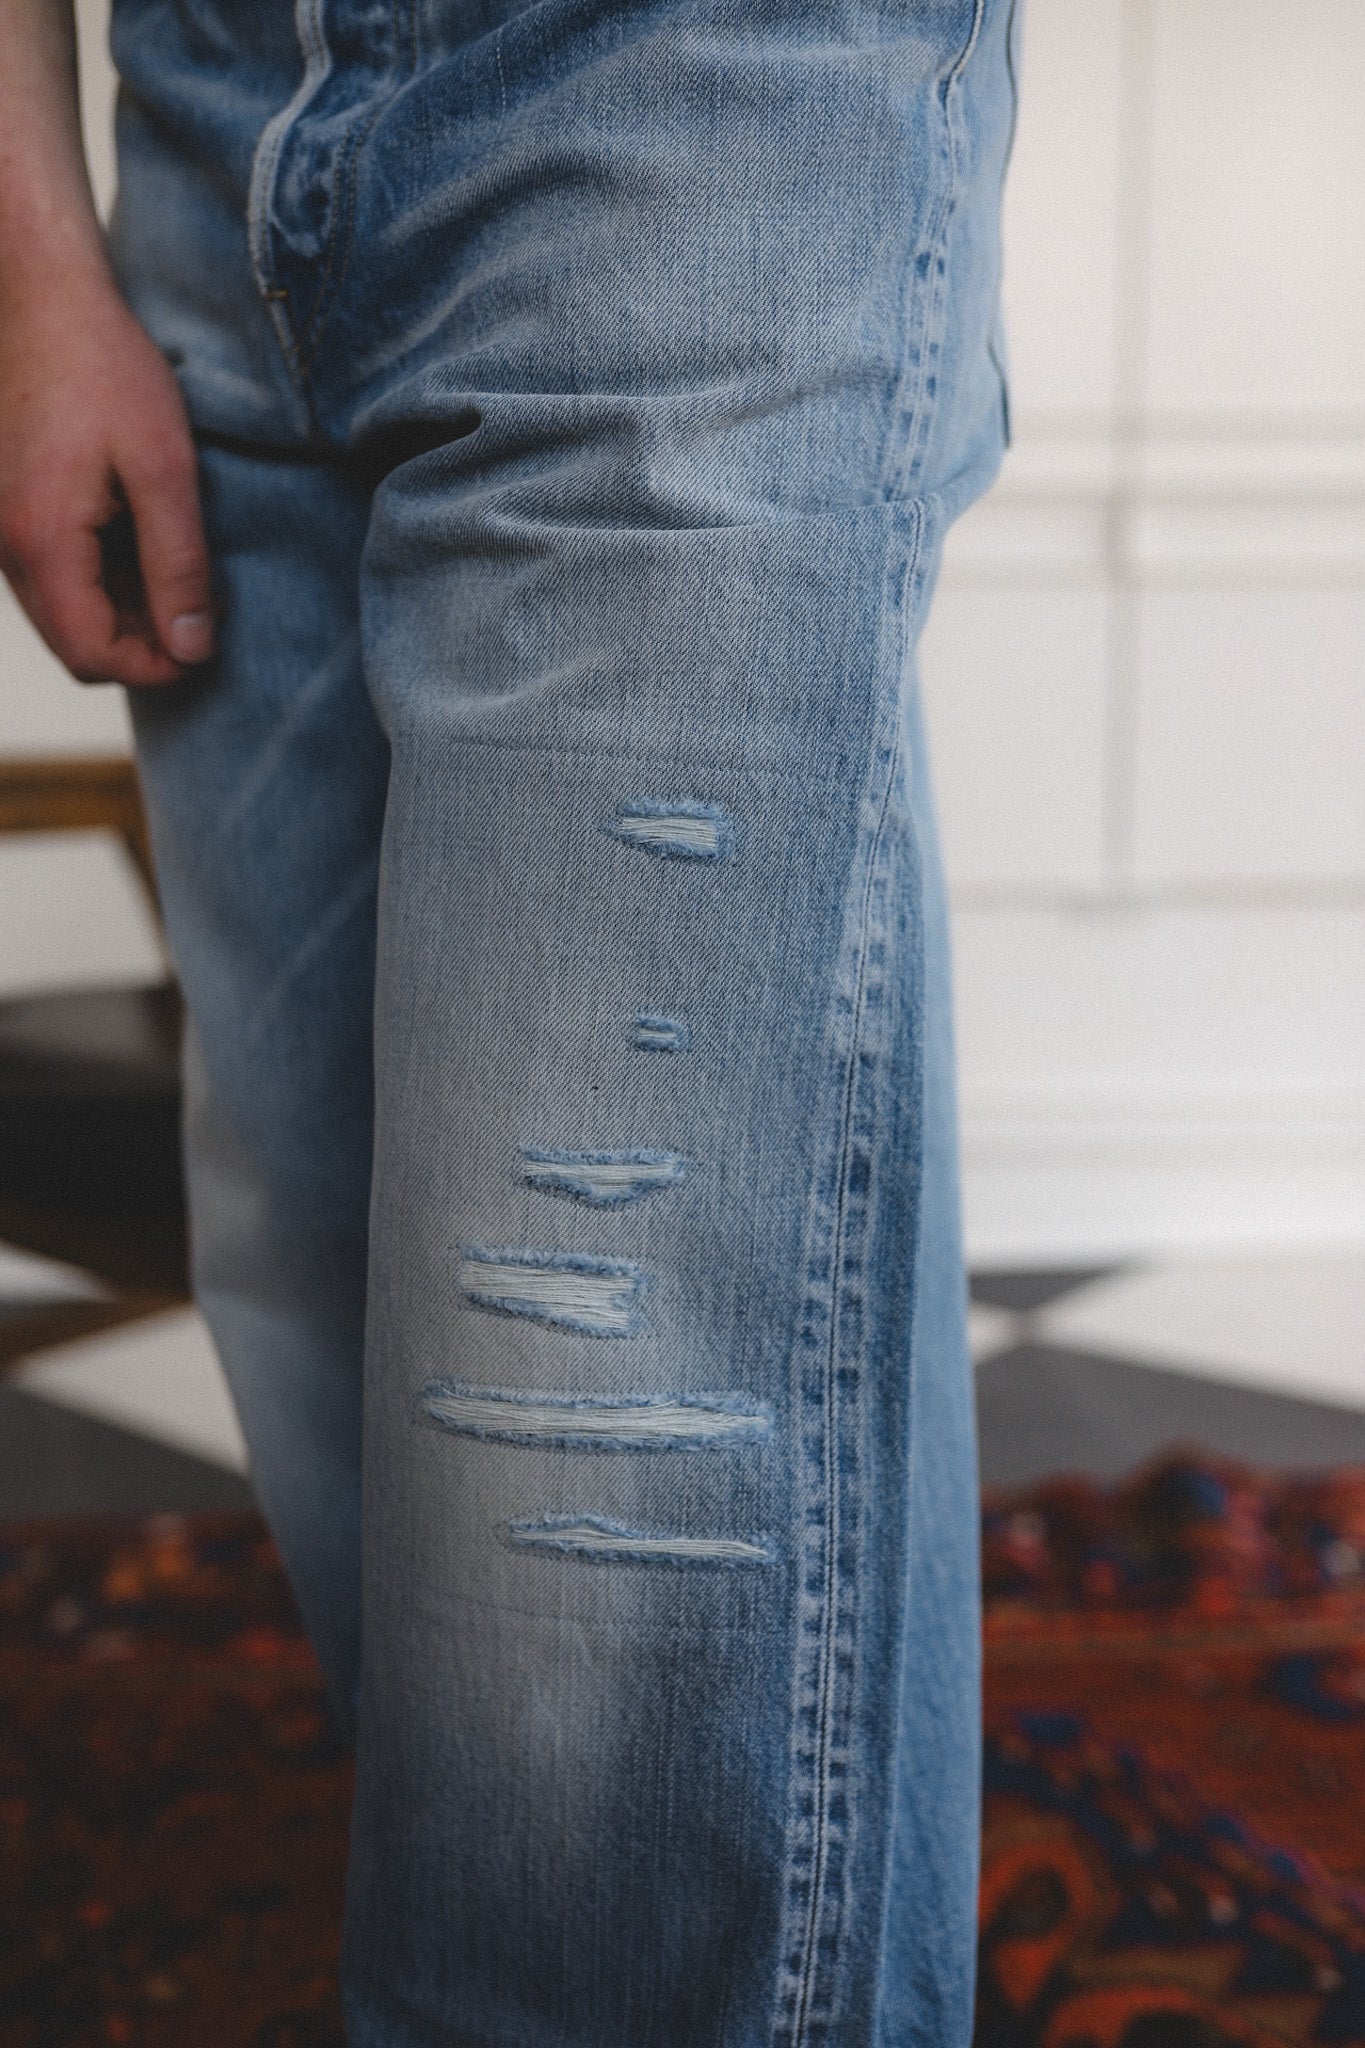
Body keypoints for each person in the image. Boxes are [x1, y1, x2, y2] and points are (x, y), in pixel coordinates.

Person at [0, 0, 1020, 2039]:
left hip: (687, 114)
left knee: (596, 1482)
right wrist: (32, 256)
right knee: (341, 1330)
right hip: (209, 124)